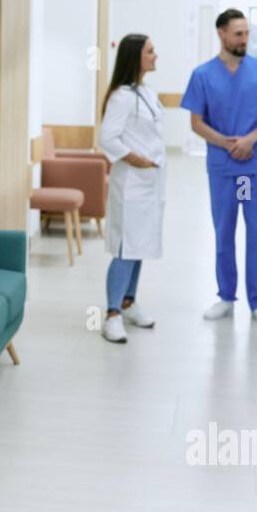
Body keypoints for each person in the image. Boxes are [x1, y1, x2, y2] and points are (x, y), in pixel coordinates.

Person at [181, 8, 257, 325]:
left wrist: (250, 140)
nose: (244, 39)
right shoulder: (202, 75)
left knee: (256, 232)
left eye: (247, 33)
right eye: (238, 33)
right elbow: (196, 123)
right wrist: (228, 143)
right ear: (221, 34)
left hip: (251, 171)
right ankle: (226, 296)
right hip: (223, 169)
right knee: (223, 232)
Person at [98, 34, 164, 344]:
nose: (155, 55)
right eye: (150, 51)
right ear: (135, 56)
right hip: (131, 185)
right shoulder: (122, 96)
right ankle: (112, 314)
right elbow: (107, 138)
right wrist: (136, 159)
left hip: (149, 185)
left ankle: (128, 302)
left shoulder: (146, 92)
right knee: (126, 249)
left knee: (140, 246)